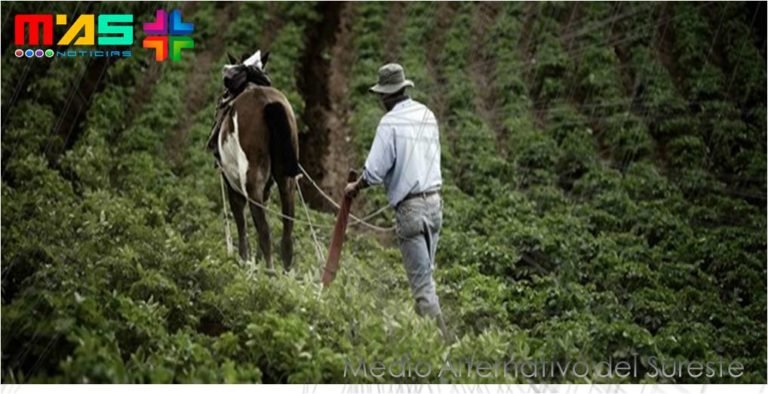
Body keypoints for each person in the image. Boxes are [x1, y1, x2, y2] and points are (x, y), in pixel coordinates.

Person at [344, 63, 449, 340]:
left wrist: (356, 186)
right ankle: (424, 339)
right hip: (435, 203)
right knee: (427, 277)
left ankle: (445, 345)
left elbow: (375, 171)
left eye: (381, 96)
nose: (380, 101)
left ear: (387, 96)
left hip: (411, 210)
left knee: (423, 287)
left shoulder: (389, 122)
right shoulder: (427, 114)